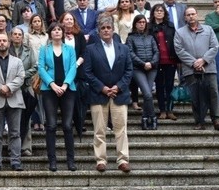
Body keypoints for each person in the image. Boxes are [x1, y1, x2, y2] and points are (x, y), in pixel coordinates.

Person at [84, 16, 134, 173]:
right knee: (99, 130)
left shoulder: (123, 48)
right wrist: (103, 88)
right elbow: (87, 72)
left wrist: (118, 87)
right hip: (99, 95)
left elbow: (129, 70)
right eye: (103, 28)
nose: (106, 30)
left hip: (119, 94)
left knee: (121, 129)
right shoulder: (91, 49)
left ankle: (123, 159)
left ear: (113, 30)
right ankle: (101, 160)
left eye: (108, 28)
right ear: (98, 32)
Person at [175, 6, 219, 131]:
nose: (191, 16)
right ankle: (199, 121)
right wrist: (194, 63)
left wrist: (203, 60)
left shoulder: (208, 30)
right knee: (196, 96)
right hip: (190, 69)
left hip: (208, 67)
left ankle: (217, 119)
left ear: (197, 15)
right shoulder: (180, 32)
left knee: (213, 92)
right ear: (185, 18)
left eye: (193, 14)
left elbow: (215, 46)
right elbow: (179, 50)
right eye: (188, 15)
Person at [38, 23, 78, 171]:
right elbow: (40, 68)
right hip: (49, 90)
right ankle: (52, 161)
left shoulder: (70, 49)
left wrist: (65, 85)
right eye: (54, 30)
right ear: (50, 33)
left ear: (62, 33)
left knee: (67, 125)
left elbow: (73, 67)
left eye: (59, 30)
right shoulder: (44, 49)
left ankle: (71, 160)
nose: (57, 32)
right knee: (51, 125)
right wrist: (53, 84)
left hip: (68, 89)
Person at [0, 33, 26, 172]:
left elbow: (21, 77)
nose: (2, 43)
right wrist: (0, 88)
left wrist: (9, 87)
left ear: (9, 43)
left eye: (4, 40)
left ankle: (16, 161)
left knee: (15, 133)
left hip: (14, 99)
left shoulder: (17, 61)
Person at [126, 14, 160, 130]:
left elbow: (156, 51)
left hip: (152, 68)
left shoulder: (150, 37)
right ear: (135, 24)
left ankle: (145, 118)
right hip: (138, 69)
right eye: (139, 22)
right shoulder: (130, 38)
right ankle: (152, 117)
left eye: (143, 22)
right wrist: (143, 63)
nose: (141, 24)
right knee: (147, 93)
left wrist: (151, 63)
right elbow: (130, 53)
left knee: (148, 94)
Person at [8, 27, 37, 157]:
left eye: (20, 34)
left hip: (26, 86)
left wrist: (22, 75)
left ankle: (26, 147)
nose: (17, 36)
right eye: (15, 34)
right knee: (12, 119)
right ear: (11, 36)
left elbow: (35, 66)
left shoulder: (29, 50)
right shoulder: (7, 50)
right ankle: (12, 147)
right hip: (11, 88)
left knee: (27, 117)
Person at [60, 11, 88, 138]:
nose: (69, 21)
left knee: (79, 99)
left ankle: (79, 123)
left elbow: (84, 52)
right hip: (62, 72)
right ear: (62, 21)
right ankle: (67, 122)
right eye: (67, 19)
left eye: (71, 19)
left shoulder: (79, 35)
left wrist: (76, 65)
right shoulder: (59, 35)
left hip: (78, 71)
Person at [149, 3, 179, 120]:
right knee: (160, 86)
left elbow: (176, 43)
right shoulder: (149, 27)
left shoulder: (170, 26)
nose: (159, 12)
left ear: (165, 13)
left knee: (170, 86)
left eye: (161, 11)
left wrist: (178, 59)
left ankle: (170, 110)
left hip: (170, 60)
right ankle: (162, 110)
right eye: (157, 11)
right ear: (153, 13)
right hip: (157, 62)